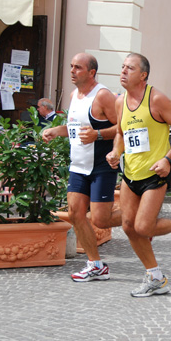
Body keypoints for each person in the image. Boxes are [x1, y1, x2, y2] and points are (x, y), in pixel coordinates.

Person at [106, 53, 171, 298]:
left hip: (155, 173)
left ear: (143, 75)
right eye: (122, 67)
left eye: (130, 68)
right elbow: (122, 133)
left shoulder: (156, 99)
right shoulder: (119, 102)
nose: (123, 71)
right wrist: (116, 152)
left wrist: (168, 159)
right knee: (128, 226)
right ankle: (155, 277)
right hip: (130, 174)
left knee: (143, 226)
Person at [42, 52, 122, 282]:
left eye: (78, 67)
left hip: (101, 166)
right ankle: (95, 264)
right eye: (71, 66)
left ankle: (135, 221)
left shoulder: (103, 96)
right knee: (75, 214)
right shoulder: (74, 95)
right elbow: (75, 126)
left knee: (100, 219)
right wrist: (56, 131)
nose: (72, 71)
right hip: (78, 165)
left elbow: (122, 128)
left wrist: (98, 134)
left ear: (91, 72)